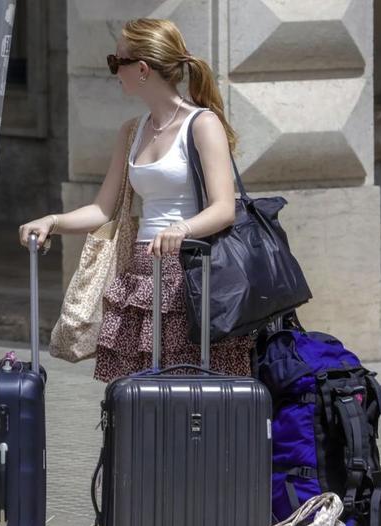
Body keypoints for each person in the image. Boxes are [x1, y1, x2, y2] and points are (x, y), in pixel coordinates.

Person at [19, 18, 252, 382]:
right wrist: (52, 221)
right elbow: (102, 209)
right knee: (138, 395)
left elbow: (224, 207)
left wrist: (182, 228)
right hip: (141, 275)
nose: (114, 71)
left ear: (142, 69)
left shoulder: (202, 124)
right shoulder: (131, 131)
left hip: (191, 274)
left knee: (189, 393)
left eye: (117, 62)